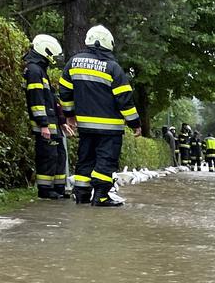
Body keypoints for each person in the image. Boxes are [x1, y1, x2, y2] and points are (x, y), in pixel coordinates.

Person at [59, 25, 139, 206]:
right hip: (110, 128)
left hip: (86, 126)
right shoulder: (113, 67)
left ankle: (81, 195)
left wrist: (70, 116)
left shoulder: (73, 62)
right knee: (106, 160)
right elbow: (124, 99)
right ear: (108, 43)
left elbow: (65, 92)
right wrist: (135, 124)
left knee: (85, 159)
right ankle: (101, 196)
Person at [23, 34, 69, 200]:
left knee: (59, 154)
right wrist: (43, 124)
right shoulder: (34, 71)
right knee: (48, 156)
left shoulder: (40, 70)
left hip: (52, 122)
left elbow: (50, 98)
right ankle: (45, 190)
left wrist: (62, 121)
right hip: (45, 123)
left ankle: (58, 188)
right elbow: (36, 100)